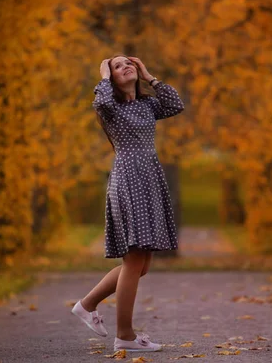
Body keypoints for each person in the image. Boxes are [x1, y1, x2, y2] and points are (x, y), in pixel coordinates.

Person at [71, 55, 185, 353]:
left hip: (148, 178)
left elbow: (175, 105)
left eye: (129, 62)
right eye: (118, 65)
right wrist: (104, 74)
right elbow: (101, 102)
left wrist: (150, 76)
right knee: (134, 260)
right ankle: (125, 336)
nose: (126, 66)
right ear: (111, 77)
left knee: (141, 264)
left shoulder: (147, 105)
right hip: (129, 180)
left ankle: (87, 304)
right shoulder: (111, 107)